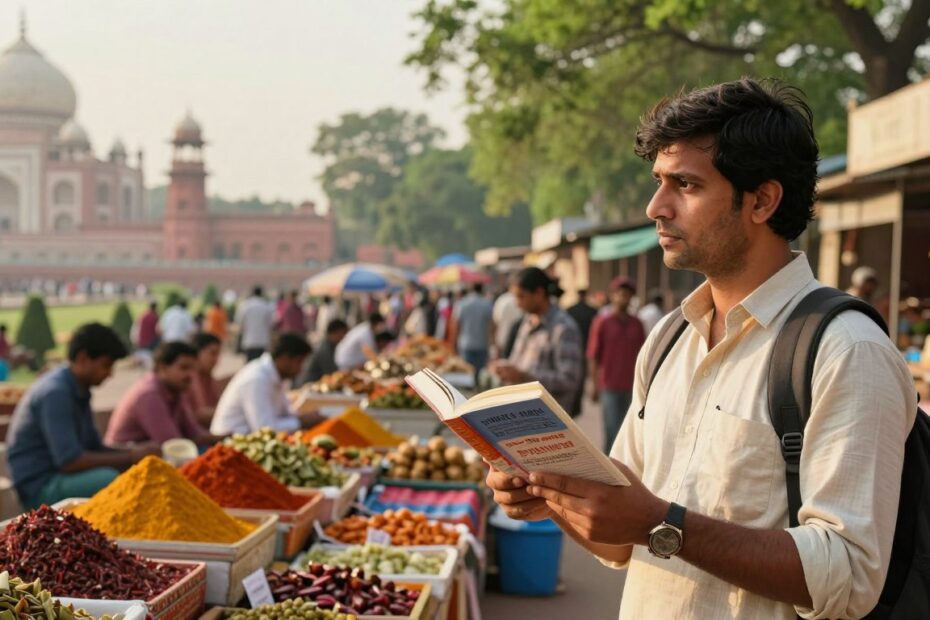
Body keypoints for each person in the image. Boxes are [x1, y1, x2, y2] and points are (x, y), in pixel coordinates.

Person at [488, 79, 916, 620]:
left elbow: (850, 574)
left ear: (762, 200)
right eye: (658, 182)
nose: (655, 207)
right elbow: (619, 541)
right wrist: (550, 495)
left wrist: (657, 524)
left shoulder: (845, 351)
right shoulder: (669, 339)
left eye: (685, 185)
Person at [6, 323, 160, 509]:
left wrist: (134, 452)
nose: (110, 374)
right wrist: (130, 456)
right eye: (106, 365)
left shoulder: (78, 389)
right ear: (83, 358)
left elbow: (95, 448)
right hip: (40, 487)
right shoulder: (56, 393)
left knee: (137, 471)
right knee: (108, 479)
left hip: (60, 475)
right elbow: (70, 461)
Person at [489, 268, 582, 413]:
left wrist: (523, 376)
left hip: (549, 420)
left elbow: (568, 380)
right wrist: (505, 369)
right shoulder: (527, 321)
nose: (517, 303)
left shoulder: (563, 328)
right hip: (521, 412)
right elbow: (517, 360)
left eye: (521, 296)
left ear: (539, 293)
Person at [105, 341, 220, 446]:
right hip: (127, 462)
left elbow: (194, 433)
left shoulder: (175, 389)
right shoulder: (149, 395)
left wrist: (229, 438)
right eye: (184, 368)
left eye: (192, 369)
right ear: (162, 368)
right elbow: (173, 444)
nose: (190, 375)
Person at [211, 332, 320, 435]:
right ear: (284, 358)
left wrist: (304, 418)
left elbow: (285, 413)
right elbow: (264, 429)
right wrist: (300, 422)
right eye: (299, 362)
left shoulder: (274, 376)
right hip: (229, 445)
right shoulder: (256, 379)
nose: (301, 369)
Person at [587, 276, 646, 452]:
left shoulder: (637, 324)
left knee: (630, 432)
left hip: (632, 385)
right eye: (619, 293)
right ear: (612, 295)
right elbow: (593, 355)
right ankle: (609, 472)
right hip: (609, 385)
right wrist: (595, 385)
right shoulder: (603, 322)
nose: (623, 298)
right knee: (612, 430)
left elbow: (644, 356)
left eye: (627, 294)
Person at [454, 284, 495, 379]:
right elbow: (491, 326)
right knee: (479, 374)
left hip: (466, 344)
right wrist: (492, 342)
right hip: (482, 344)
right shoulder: (486, 303)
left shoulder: (462, 303)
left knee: (467, 374)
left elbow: (456, 325)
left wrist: (454, 343)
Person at [187, 332, 225, 425]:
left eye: (218, 354)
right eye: (213, 353)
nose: (216, 360)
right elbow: (200, 414)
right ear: (197, 353)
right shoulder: (190, 377)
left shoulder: (208, 377)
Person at [299, 319, 348, 385]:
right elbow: (332, 373)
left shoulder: (328, 345)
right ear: (335, 332)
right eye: (343, 333)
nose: (344, 337)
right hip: (310, 385)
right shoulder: (324, 350)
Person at [236, 286, 274, 361]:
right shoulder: (267, 306)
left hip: (249, 340)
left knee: (250, 365)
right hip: (263, 341)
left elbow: (239, 321)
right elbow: (271, 323)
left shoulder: (245, 305)